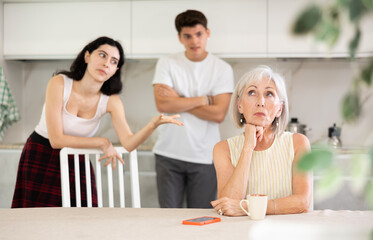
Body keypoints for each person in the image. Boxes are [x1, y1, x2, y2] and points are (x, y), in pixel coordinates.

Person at [11, 36, 183, 208]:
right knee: (38, 221)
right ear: (87, 56)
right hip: (41, 154)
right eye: (102, 55)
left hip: (77, 160)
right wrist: (102, 142)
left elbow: (129, 143)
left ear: (115, 70)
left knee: (84, 219)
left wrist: (152, 125)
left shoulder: (111, 101)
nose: (107, 63)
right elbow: (56, 140)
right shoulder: (59, 83)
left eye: (114, 61)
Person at [152, 10, 234, 208]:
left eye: (198, 34)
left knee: (201, 220)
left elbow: (218, 114)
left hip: (205, 156)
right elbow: (163, 104)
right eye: (187, 36)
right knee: (168, 220)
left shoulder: (222, 69)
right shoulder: (167, 63)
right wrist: (204, 100)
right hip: (168, 154)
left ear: (207, 33)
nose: (194, 41)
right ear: (180, 38)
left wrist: (178, 98)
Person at [211, 65, 312, 216]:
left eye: (269, 94)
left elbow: (302, 202)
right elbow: (227, 206)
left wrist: (249, 207)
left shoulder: (298, 143)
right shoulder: (223, 149)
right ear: (239, 105)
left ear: (279, 109)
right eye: (252, 92)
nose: (261, 102)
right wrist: (248, 147)